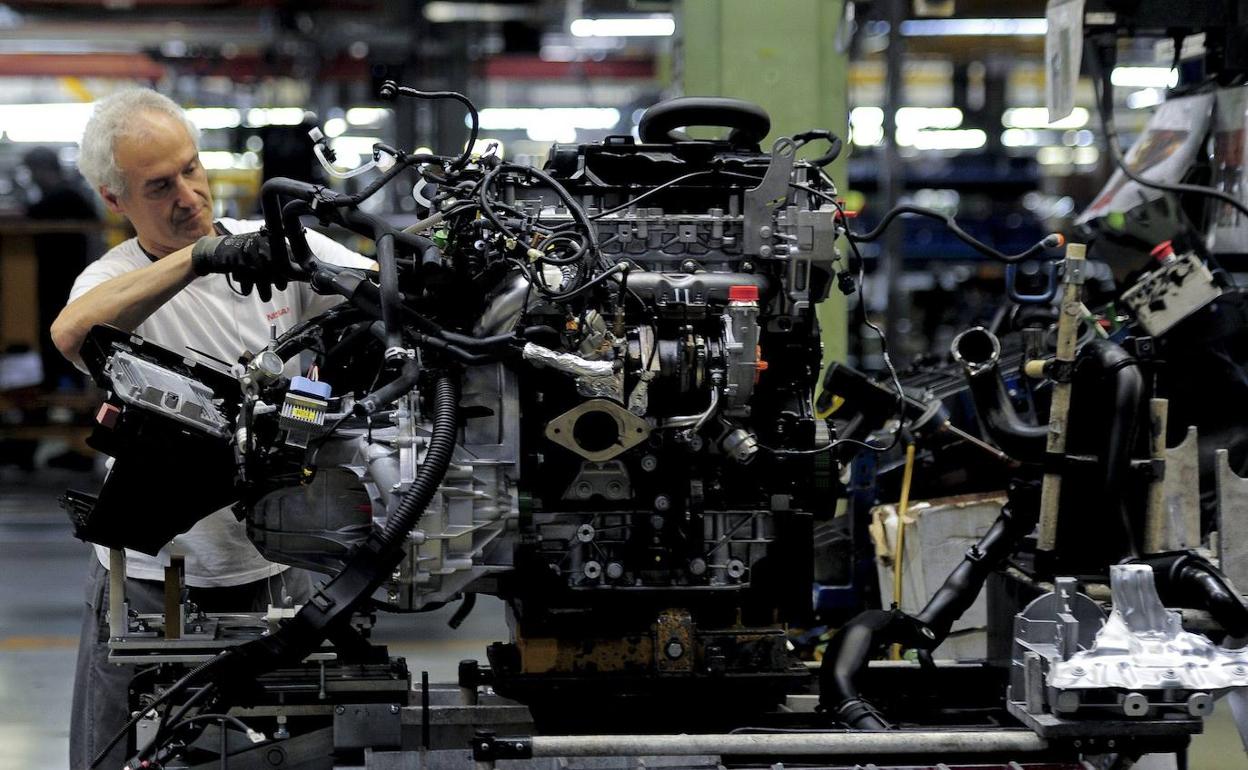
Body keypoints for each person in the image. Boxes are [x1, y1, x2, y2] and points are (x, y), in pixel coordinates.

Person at [51, 88, 369, 770]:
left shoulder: (279, 252)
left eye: (192, 169)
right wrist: (202, 259)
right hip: (151, 579)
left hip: (278, 566)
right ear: (116, 200)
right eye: (160, 185)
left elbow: (393, 295)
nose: (190, 196)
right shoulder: (110, 281)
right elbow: (70, 332)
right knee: (110, 754)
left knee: (299, 745)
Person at [23, 145, 99, 393]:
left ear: (44, 169)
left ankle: (64, 396)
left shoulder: (63, 196)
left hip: (62, 281)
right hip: (64, 279)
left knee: (62, 338)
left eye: (34, 171)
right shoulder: (72, 195)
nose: (32, 178)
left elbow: (33, 215)